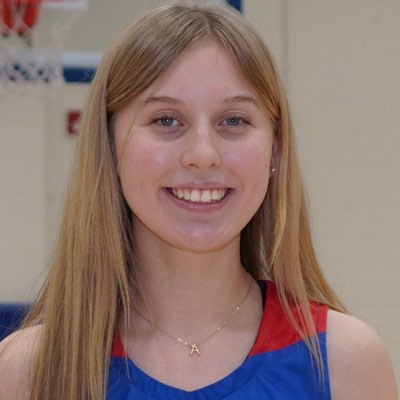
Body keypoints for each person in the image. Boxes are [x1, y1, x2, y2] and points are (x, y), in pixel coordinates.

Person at [0, 1, 398, 399]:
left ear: (275, 149)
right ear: (110, 145)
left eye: (234, 120)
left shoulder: (345, 362)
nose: (203, 154)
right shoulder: (31, 369)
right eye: (166, 120)